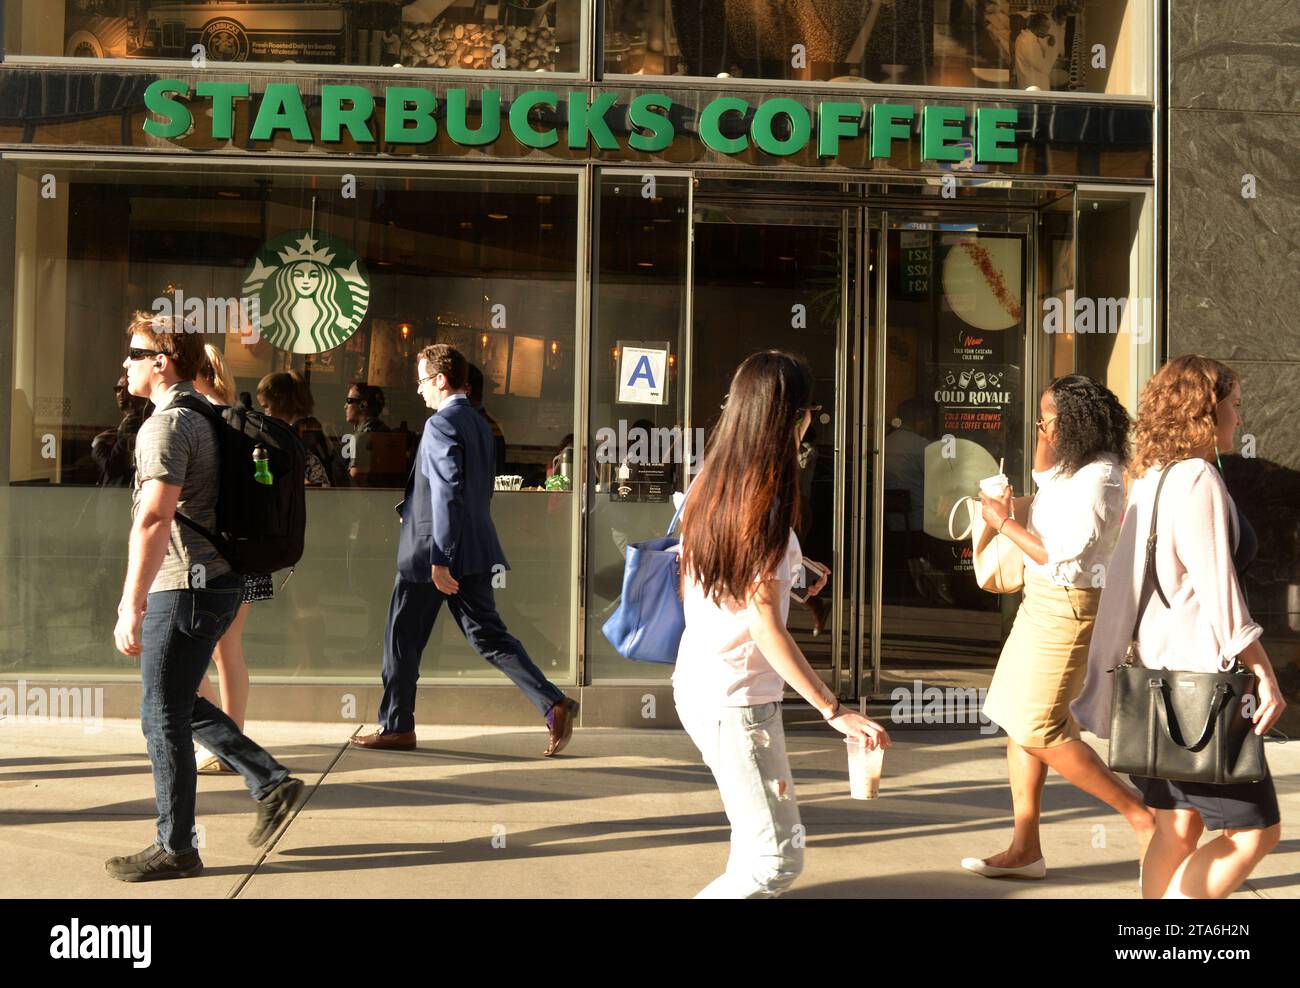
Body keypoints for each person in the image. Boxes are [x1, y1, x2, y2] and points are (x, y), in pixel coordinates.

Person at [674, 350, 891, 898]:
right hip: (738, 703)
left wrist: (794, 566)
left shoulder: (712, 483)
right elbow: (765, 625)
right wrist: (833, 709)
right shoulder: (765, 504)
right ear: (797, 418)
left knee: (751, 845)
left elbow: (709, 574)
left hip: (700, 684)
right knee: (775, 861)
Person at [1072, 356, 1287, 898]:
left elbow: (1123, 590)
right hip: (1200, 695)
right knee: (1255, 833)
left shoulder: (1153, 479)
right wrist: (1263, 671)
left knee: (1177, 825)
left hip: (1156, 690)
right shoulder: (1197, 478)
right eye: (1233, 406)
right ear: (1205, 412)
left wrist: (1104, 675)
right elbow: (1221, 592)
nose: (1239, 418)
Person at [107, 314, 303, 882]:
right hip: (213, 584)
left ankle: (177, 847)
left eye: (134, 353)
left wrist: (131, 601)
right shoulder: (207, 415)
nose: (126, 363)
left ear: (161, 362)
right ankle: (269, 781)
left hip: (185, 585)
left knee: (159, 713)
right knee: (174, 704)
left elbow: (153, 518)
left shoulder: (166, 426)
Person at [964, 375, 1156, 879]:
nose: (1042, 427)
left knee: (1042, 729)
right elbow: (1042, 473)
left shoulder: (1101, 478)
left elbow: (1060, 557)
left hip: (1068, 610)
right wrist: (1044, 440)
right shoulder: (1076, 467)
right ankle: (1025, 849)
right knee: (1017, 722)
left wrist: (1003, 522)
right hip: (1041, 606)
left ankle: (1142, 816)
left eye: (1048, 419)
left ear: (1073, 423)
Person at [351, 344, 578, 755]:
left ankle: (396, 726)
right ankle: (553, 704)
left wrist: (441, 557)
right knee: (488, 636)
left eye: (422, 381)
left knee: (400, 638)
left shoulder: (440, 425)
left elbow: (449, 492)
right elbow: (468, 489)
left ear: (440, 380)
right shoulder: (478, 424)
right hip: (474, 547)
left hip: (432, 554)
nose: (420, 390)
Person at [191, 344, 272, 775]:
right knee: (228, 648)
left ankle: (223, 743)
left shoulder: (201, 417)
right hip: (247, 551)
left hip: (215, 553)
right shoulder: (240, 416)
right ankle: (229, 740)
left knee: (188, 648)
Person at [258, 370, 331, 487]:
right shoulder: (309, 425)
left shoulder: (300, 432)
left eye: (266, 406)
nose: (265, 413)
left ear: (281, 400)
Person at [92, 375, 152, 487]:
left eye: (125, 389)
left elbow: (111, 467)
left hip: (119, 496)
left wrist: (98, 444)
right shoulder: (127, 423)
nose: (120, 393)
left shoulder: (132, 424)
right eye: (117, 389)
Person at [1014, 13, 1055, 90]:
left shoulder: (1026, 37)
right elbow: (1045, 68)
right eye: (1047, 28)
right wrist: (1051, 47)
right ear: (1040, 28)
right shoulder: (1028, 42)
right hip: (1035, 87)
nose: (1048, 31)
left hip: (1032, 85)